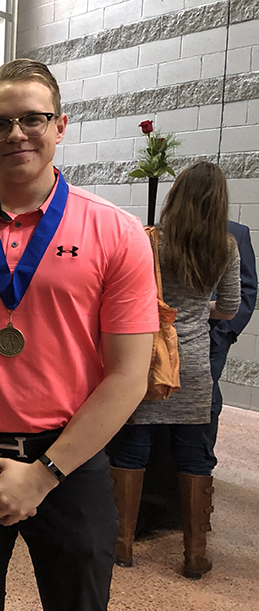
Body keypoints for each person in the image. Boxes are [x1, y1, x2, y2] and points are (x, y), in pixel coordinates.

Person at [0, 59, 158, 611]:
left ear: (60, 125)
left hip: (70, 464)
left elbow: (129, 374)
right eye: (0, 123)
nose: (16, 133)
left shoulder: (116, 234)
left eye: (33, 119)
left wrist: (43, 476)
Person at [110, 161, 240, 579]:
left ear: (175, 195)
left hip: (148, 360)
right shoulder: (226, 246)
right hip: (195, 365)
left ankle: (123, 545)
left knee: (133, 449)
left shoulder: (150, 242)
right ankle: (194, 554)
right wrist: (200, 314)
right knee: (195, 456)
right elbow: (231, 307)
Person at [207, 220, 256, 467]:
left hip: (216, 334)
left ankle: (203, 462)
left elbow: (247, 288)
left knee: (208, 397)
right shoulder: (166, 230)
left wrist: (227, 331)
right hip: (172, 333)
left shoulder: (236, 234)